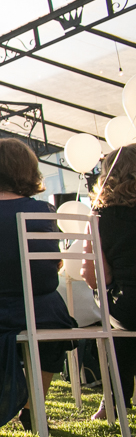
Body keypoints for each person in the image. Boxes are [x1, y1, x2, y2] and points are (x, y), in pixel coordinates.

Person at [0, 138, 75, 435]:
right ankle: (33, 408)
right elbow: (52, 267)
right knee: (57, 316)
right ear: (28, 171)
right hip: (35, 311)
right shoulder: (43, 212)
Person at [84, 147, 136, 421]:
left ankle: (114, 401)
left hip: (128, 309)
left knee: (114, 314)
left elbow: (95, 277)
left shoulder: (99, 217)